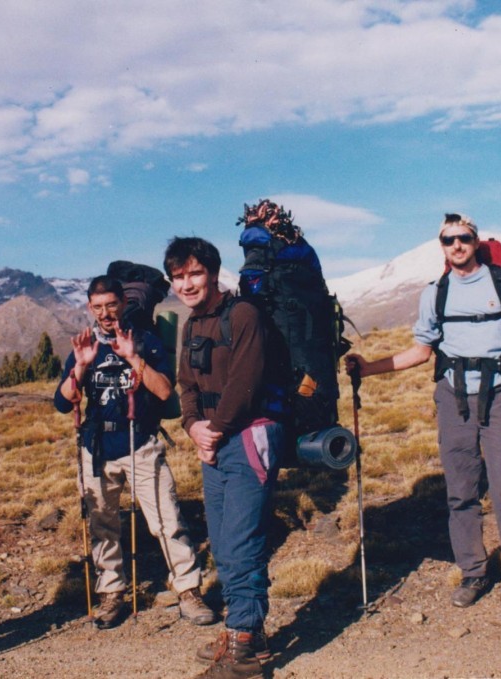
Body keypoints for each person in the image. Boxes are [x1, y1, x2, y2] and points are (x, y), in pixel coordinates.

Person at [348, 213, 501, 617]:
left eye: (463, 238)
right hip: (452, 397)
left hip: (500, 393)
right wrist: (367, 367)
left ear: (475, 240)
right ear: (441, 246)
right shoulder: (434, 293)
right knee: (461, 489)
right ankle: (473, 572)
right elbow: (421, 351)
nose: (456, 245)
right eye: (448, 240)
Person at [54, 275, 215, 629]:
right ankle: (112, 594)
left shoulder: (146, 341)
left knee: (167, 520)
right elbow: (62, 404)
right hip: (96, 448)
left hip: (140, 443)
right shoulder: (84, 347)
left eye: (111, 305)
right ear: (89, 308)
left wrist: (133, 358)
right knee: (103, 525)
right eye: (97, 307)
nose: (105, 314)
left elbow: (163, 392)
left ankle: (188, 590)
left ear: (123, 304)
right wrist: (80, 366)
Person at [163, 237, 283, 679]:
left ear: (213, 273)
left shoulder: (243, 315)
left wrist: (213, 431)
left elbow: (245, 382)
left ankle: (244, 648)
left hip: (249, 437)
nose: (187, 283)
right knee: (224, 542)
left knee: (240, 540)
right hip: (212, 442)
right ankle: (247, 629)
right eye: (178, 276)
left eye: (194, 273)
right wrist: (192, 425)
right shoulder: (193, 324)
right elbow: (186, 385)